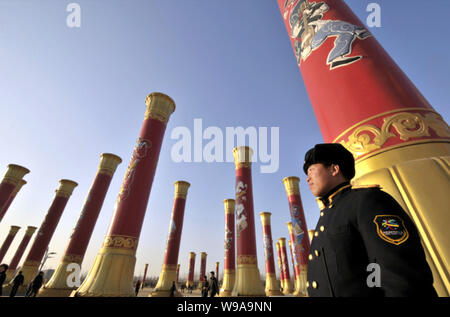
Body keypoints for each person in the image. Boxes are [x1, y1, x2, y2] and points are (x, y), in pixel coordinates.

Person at [303, 143, 437, 297]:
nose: (307, 179)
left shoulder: (368, 201)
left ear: (334, 169)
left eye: (311, 170)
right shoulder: (327, 215)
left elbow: (401, 277)